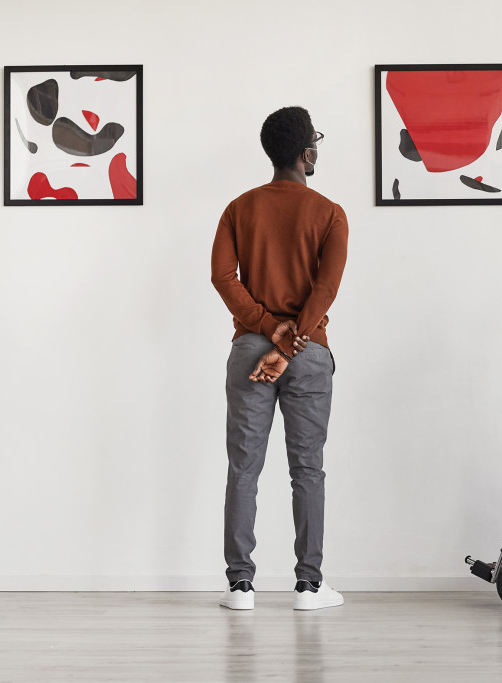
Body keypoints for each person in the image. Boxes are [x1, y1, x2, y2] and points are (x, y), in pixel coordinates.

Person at [211, 106, 348, 611]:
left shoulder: (238, 209)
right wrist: (289, 343)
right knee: (307, 469)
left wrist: (267, 330)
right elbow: (326, 288)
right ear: (306, 153)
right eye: (316, 143)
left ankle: (240, 587)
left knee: (243, 467)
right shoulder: (330, 213)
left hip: (249, 350)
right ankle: (309, 587)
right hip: (309, 352)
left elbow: (223, 277)